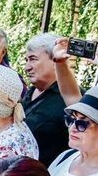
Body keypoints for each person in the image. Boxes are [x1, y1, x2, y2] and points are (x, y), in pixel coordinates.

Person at [22, 33, 68, 165]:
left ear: (55, 59)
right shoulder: (29, 94)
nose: (27, 67)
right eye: (26, 60)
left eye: (33, 59)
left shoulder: (68, 99)